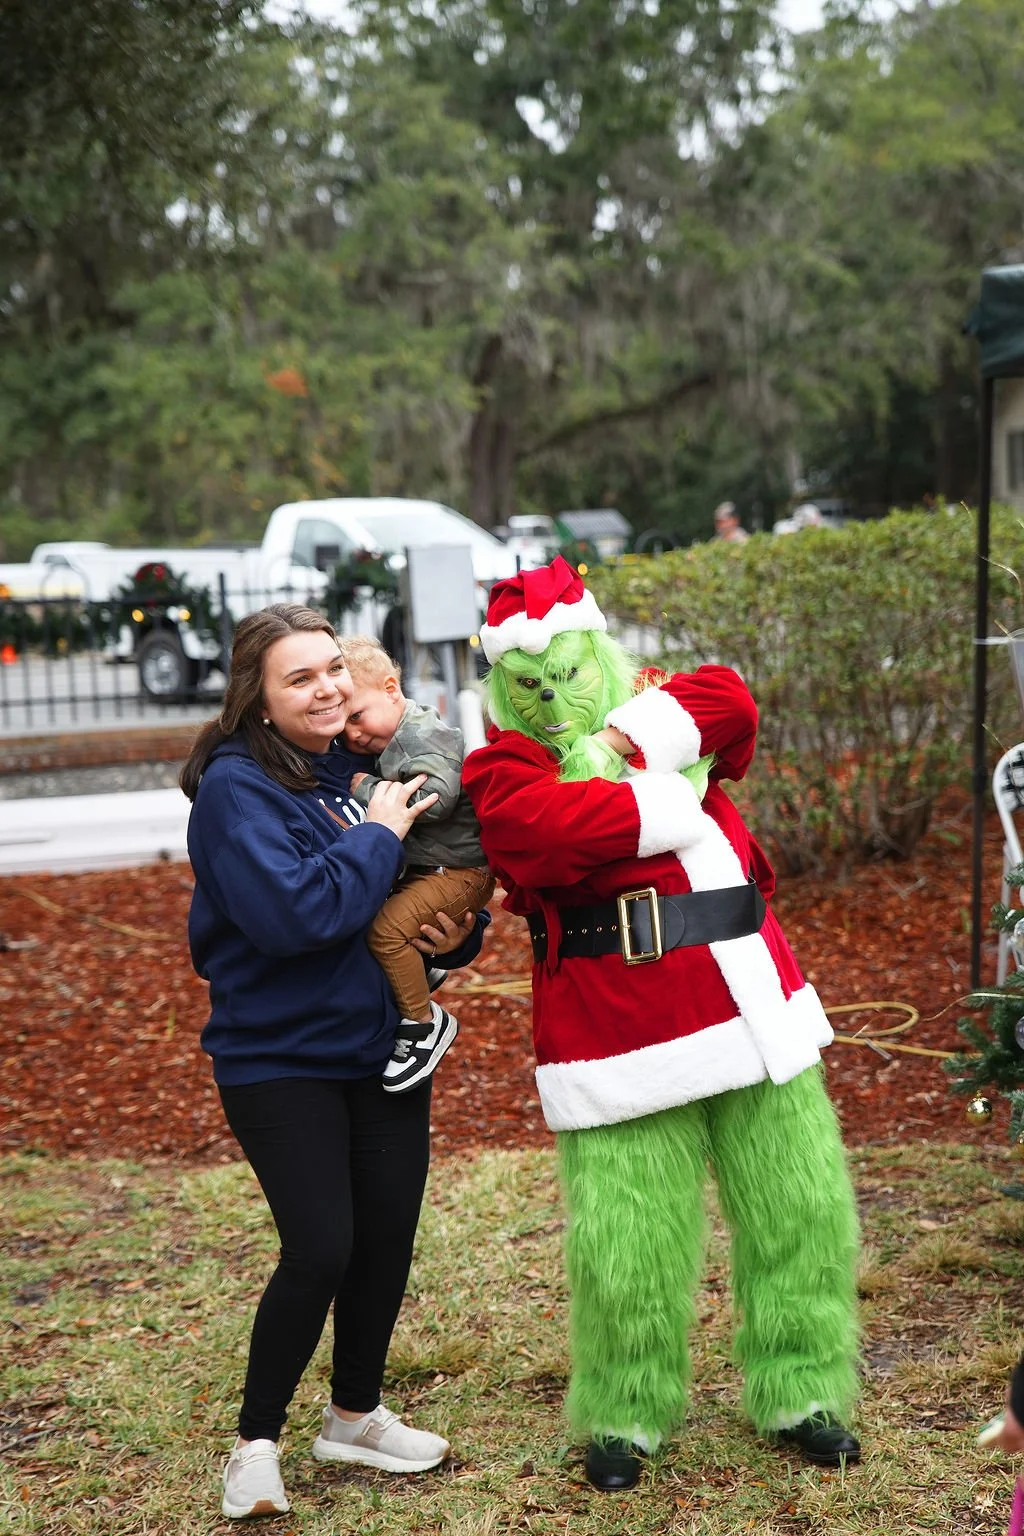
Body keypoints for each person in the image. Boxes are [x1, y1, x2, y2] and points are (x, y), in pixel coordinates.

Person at [463, 556, 860, 1491]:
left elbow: (733, 703)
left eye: (568, 673)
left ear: (601, 655)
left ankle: (803, 1390)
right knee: (627, 1240)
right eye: (531, 686)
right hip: (614, 1026)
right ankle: (624, 1411)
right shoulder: (501, 764)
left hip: (746, 998)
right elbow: (542, 837)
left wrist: (623, 748)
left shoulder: (656, 707)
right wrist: (675, 791)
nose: (554, 701)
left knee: (798, 1213)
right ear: (501, 689)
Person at [179, 604, 488, 1521]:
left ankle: (354, 1414)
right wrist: (378, 836)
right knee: (321, 1246)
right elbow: (299, 917)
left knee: (386, 1237)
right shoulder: (241, 791)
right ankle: (256, 1444)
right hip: (281, 1058)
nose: (326, 690)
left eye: (332, 672)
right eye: (299, 678)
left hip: (374, 1048)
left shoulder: (347, 769)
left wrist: (454, 932)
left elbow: (399, 898)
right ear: (258, 698)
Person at [338, 635, 495, 1092]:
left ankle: (423, 1024)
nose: (351, 734)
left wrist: (365, 788)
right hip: (437, 868)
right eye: (343, 726)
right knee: (390, 925)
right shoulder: (395, 735)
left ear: (391, 689)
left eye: (357, 716)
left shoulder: (422, 735)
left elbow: (436, 798)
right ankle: (423, 969)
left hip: (459, 872)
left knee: (386, 932)